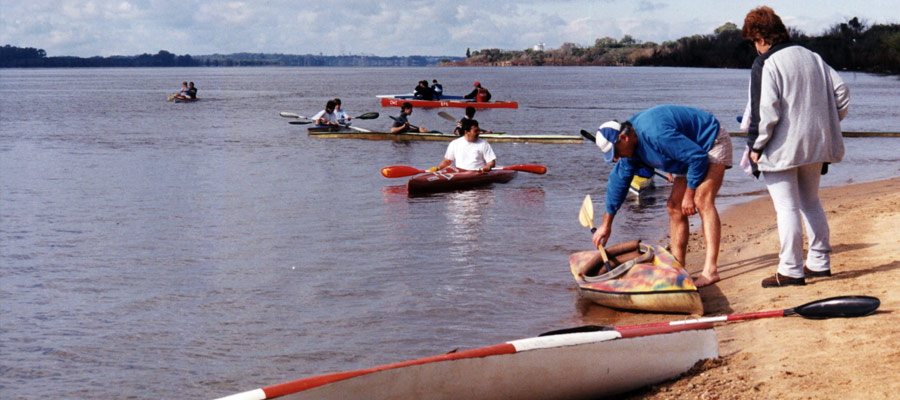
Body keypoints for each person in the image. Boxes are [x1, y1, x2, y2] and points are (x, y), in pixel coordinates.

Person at [741, 6, 850, 288]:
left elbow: (766, 112)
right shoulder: (812, 56)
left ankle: (790, 269)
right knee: (811, 201)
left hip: (782, 148)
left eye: (754, 41)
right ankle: (819, 263)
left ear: (760, 37)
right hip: (816, 143)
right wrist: (827, 121)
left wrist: (755, 146)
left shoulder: (766, 63)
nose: (755, 48)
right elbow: (842, 92)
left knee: (787, 208)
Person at [591, 105, 732, 288]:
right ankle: (678, 266)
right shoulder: (630, 149)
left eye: (616, 153)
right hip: (687, 153)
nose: (617, 158)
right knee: (674, 207)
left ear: (623, 137)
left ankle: (711, 270)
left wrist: (689, 194)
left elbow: (698, 158)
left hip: (711, 142)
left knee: (701, 200)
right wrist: (606, 224)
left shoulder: (655, 134)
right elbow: (618, 183)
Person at [430, 119, 496, 173]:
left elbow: (491, 162)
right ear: (466, 132)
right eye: (476, 131)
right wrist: (438, 168)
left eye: (478, 130)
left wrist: (488, 166)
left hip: (478, 173)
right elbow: (447, 161)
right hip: (460, 174)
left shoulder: (484, 144)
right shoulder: (454, 143)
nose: (479, 133)